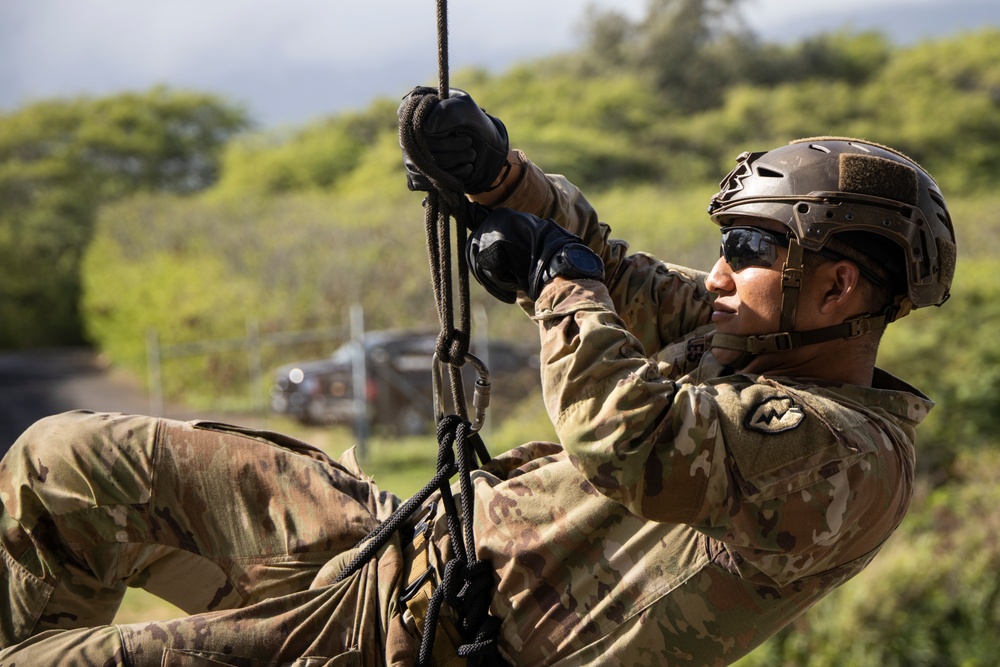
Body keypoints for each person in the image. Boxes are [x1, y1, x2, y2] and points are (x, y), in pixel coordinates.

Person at [0, 88, 956, 666]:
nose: (715, 270)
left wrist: (559, 287)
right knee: (67, 460)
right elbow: (617, 273)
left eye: (748, 245)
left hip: (419, 644)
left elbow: (632, 440)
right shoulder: (744, 332)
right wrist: (502, 180)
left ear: (835, 286)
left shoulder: (847, 460)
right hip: (407, 549)